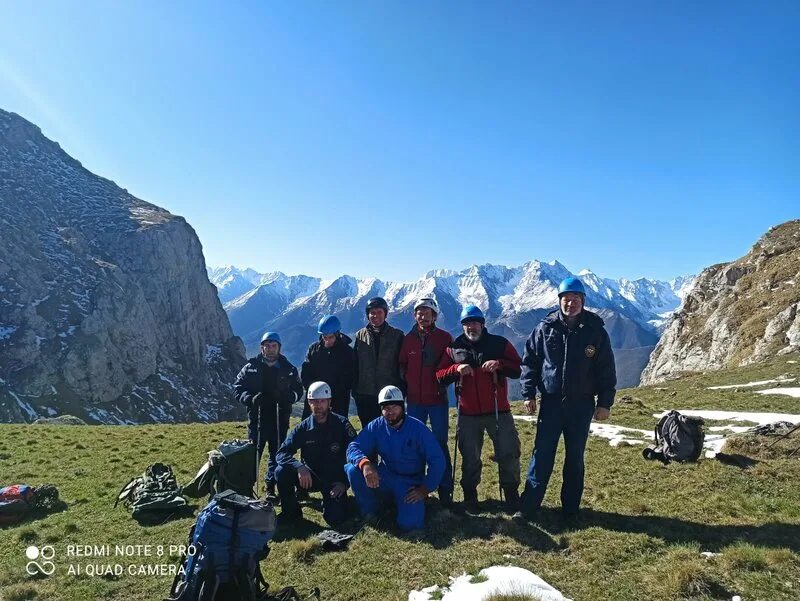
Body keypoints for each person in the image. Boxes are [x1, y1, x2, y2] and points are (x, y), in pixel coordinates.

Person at [517, 276, 617, 521]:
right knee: (541, 456)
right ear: (559, 301)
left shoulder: (596, 331)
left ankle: (570, 510)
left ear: (583, 301)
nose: (570, 304)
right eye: (566, 299)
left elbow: (606, 369)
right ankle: (528, 508)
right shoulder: (545, 328)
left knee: (575, 458)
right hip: (550, 402)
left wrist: (605, 403)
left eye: (575, 299)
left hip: (581, 405)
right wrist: (528, 393)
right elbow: (530, 361)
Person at [436, 305, 522, 514]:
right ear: (463, 326)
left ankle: (511, 495)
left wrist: (499, 364)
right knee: (470, 456)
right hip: (468, 413)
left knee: (508, 452)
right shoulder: (453, 349)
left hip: (498, 409)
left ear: (482, 324)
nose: (471, 327)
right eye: (467, 323)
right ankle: (470, 496)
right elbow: (439, 376)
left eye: (474, 322)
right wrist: (455, 369)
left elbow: (517, 369)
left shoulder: (499, 344)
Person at [345, 385, 445, 532]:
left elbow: (438, 461)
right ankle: (370, 512)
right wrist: (365, 464)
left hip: (410, 484)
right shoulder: (376, 426)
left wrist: (425, 489)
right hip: (384, 477)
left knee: (410, 525)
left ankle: (398, 507)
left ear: (402, 406)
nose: (390, 411)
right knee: (353, 470)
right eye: (385, 407)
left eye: (394, 406)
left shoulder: (418, 429)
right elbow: (353, 447)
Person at [275, 381, 357, 526]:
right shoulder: (303, 427)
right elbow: (282, 453)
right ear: (308, 402)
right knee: (281, 471)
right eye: (314, 401)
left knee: (335, 519)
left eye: (322, 401)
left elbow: (356, 453)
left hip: (334, 480)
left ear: (329, 401)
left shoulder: (342, 424)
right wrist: (299, 467)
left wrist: (344, 483)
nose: (318, 405)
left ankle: (345, 503)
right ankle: (291, 513)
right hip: (310, 477)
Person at [233, 331, 304, 499]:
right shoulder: (250, 368)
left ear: (279, 348)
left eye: (274, 346)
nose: (270, 349)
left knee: (276, 454)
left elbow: (298, 390)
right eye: (267, 346)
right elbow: (238, 388)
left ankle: (271, 487)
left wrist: (289, 397)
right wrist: (250, 399)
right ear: (262, 348)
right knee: (253, 455)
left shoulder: (289, 369)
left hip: (280, 418)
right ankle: (247, 488)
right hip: (257, 419)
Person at [399, 297, 454, 507]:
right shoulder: (408, 339)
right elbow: (402, 363)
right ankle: (417, 488)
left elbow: (449, 365)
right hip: (414, 401)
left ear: (434, 316)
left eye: (427, 313)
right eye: (419, 312)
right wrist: (406, 380)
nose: (423, 316)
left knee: (439, 444)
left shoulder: (444, 338)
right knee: (415, 445)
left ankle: (445, 490)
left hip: (437, 400)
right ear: (415, 315)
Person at [353, 297, 404, 429]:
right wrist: (355, 390)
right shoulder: (359, 336)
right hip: (365, 394)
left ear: (385, 314)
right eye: (372, 313)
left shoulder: (397, 336)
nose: (375, 316)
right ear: (367, 315)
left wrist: (402, 389)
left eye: (379, 312)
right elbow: (354, 364)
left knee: (390, 429)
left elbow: (403, 365)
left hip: (389, 395)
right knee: (368, 429)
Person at [300, 315, 357, 418]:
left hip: (338, 401)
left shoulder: (347, 353)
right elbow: (306, 374)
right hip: (315, 399)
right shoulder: (313, 350)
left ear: (337, 334)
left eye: (330, 337)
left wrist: (330, 395)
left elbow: (350, 378)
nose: (327, 340)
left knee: (336, 430)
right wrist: (314, 390)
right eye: (324, 337)